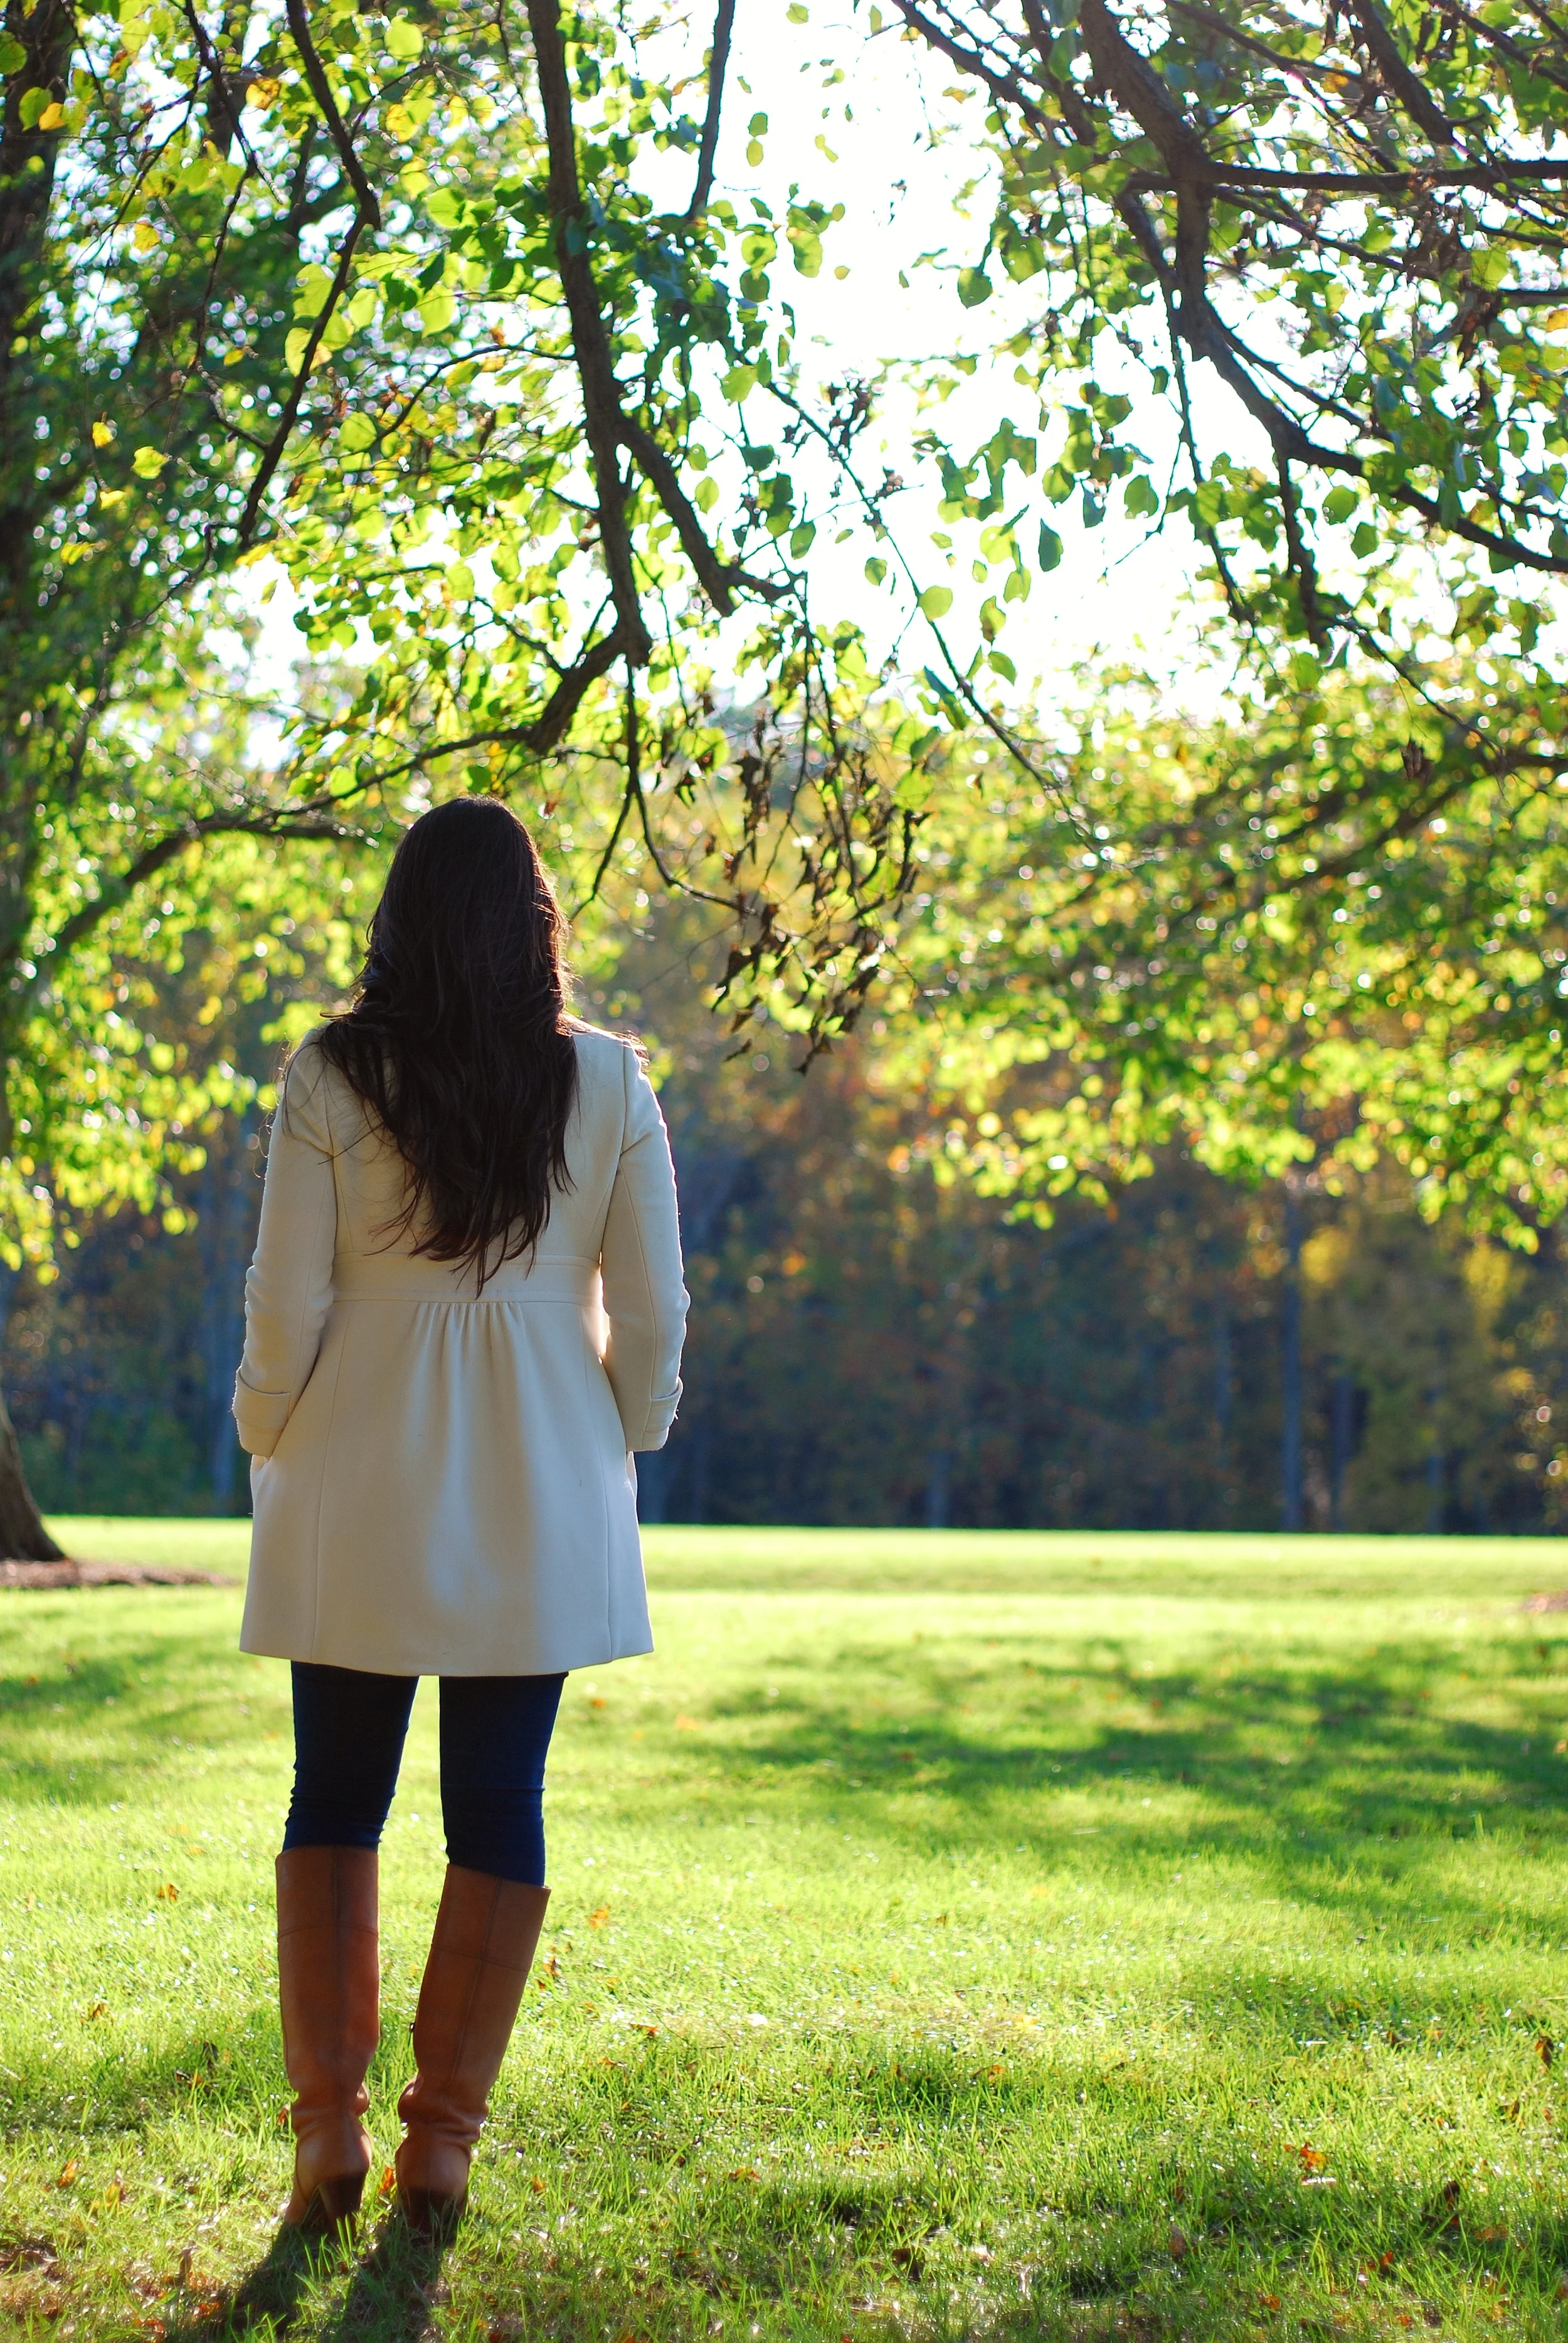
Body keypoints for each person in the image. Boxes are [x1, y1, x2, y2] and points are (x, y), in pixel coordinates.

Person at [231, 797, 687, 2239]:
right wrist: (624, 1431)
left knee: (334, 1793)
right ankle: (443, 2145)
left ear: (398, 918)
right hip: (541, 1471)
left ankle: (326, 2129)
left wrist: (264, 1429)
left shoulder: (329, 1074)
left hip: (353, 1468)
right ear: (535, 918)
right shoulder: (611, 1084)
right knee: (499, 1800)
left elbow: (283, 1305)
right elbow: (659, 1311)